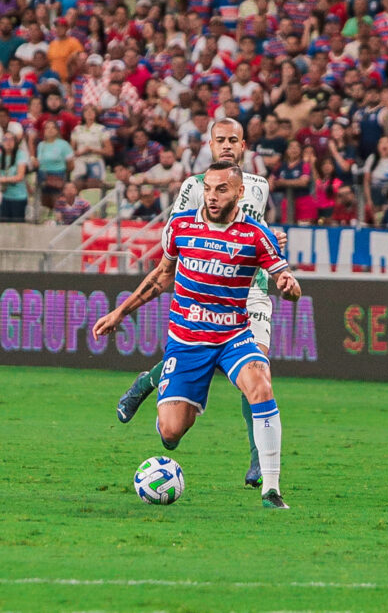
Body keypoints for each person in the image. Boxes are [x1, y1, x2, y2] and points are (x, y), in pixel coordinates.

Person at [94, 160, 301, 510]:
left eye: (221, 189)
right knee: (171, 434)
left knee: (261, 382)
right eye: (208, 188)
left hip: (233, 336)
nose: (213, 196)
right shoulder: (182, 226)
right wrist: (120, 312)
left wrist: (289, 285)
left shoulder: (256, 234)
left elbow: (284, 278)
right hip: (187, 341)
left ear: (240, 191)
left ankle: (271, 489)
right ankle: (151, 382)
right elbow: (161, 278)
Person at [114, 117, 281, 488]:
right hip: (206, 288)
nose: (226, 146)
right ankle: (149, 382)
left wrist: (272, 237)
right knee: (196, 366)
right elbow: (172, 233)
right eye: (219, 140)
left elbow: (254, 230)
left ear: (244, 146)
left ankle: (258, 460)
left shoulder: (259, 186)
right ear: (209, 145)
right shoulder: (194, 186)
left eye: (232, 140)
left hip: (251, 288)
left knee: (259, 370)